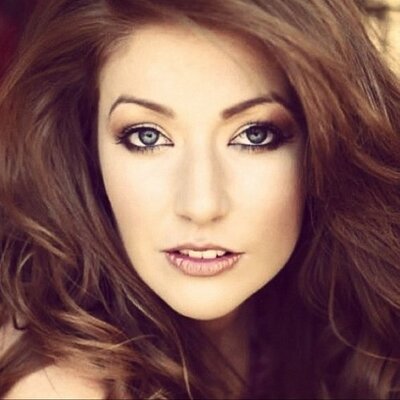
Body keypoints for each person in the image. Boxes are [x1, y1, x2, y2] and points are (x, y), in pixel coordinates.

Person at [0, 0, 399, 398]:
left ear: (326, 145)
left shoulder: (343, 316)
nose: (201, 205)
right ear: (88, 145)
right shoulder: (60, 389)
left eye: (255, 135)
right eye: (147, 136)